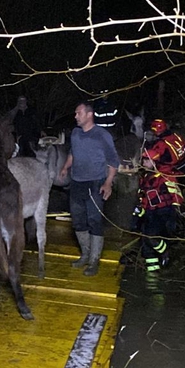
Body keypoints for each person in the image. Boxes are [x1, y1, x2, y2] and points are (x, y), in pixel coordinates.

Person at [58, 101, 119, 276]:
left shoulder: (102, 135)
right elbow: (72, 152)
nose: (75, 116)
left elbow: (113, 161)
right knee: (78, 221)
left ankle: (94, 261)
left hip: (95, 183)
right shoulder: (76, 134)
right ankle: (85, 254)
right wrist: (65, 167)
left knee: (94, 221)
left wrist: (108, 183)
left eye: (78, 113)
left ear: (89, 114)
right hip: (77, 183)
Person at [130, 156, 184, 273]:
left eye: (147, 160)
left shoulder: (164, 175)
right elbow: (144, 198)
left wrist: (176, 209)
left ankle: (166, 252)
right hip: (149, 213)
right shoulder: (144, 178)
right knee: (146, 245)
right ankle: (153, 274)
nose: (144, 163)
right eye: (143, 161)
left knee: (151, 237)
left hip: (163, 212)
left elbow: (175, 193)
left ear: (155, 161)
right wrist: (139, 212)